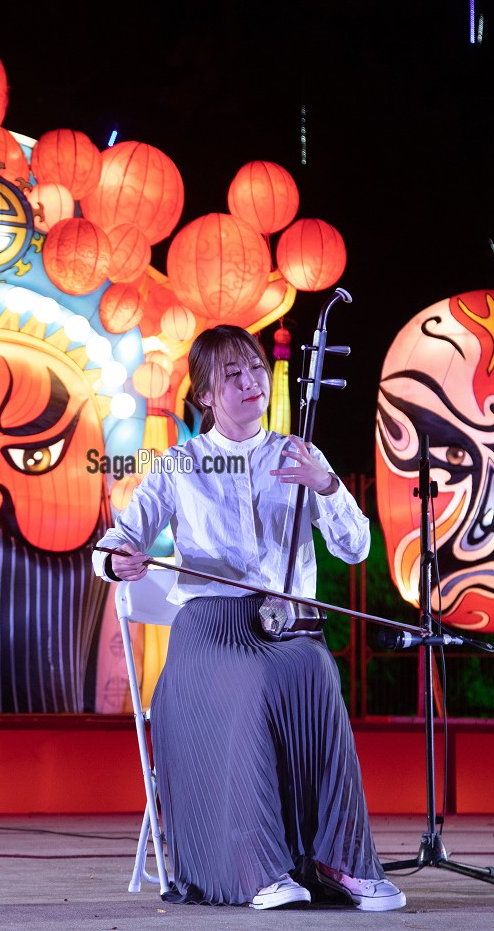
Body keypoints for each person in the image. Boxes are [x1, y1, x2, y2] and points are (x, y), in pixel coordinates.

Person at [93, 324, 405, 911]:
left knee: (316, 673)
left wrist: (328, 485)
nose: (250, 382)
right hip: (209, 631)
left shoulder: (299, 455)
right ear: (205, 394)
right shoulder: (178, 463)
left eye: (255, 369)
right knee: (254, 681)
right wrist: (119, 561)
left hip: (285, 626)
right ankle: (257, 869)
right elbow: (116, 542)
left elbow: (356, 548)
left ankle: (339, 860)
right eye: (231, 374)